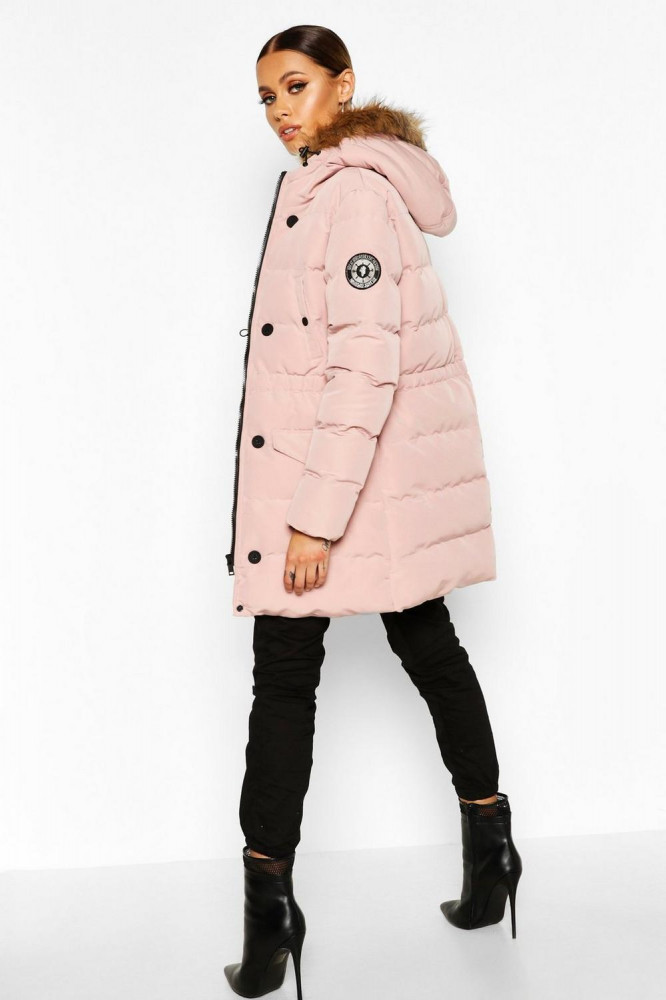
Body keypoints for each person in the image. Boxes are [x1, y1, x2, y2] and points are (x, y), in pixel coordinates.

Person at [224, 24, 523, 1000]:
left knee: (292, 677)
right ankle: (492, 854)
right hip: (369, 483)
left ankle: (270, 921)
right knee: (423, 647)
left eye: (296, 86)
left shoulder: (351, 194)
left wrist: (313, 519)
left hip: (349, 489)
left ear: (344, 85)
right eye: (267, 96)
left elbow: (363, 367)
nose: (280, 111)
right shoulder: (325, 185)